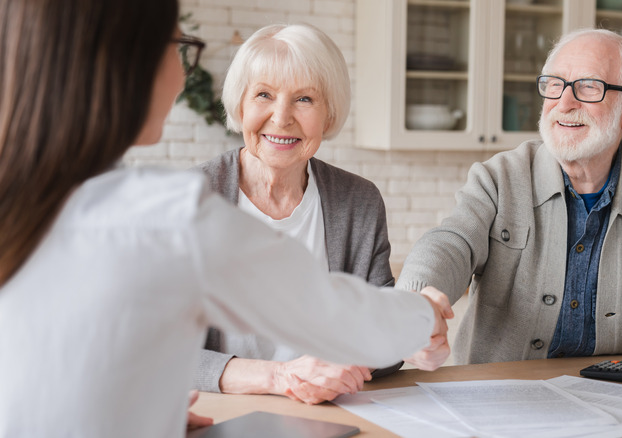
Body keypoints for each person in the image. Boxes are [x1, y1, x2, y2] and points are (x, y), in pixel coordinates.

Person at [0, 0, 453, 436]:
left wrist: (144, 410)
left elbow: (74, 363)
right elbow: (328, 311)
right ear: (126, 65)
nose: (182, 73)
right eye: (177, 47)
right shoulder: (169, 216)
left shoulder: (32, 200)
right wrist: (425, 315)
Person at [398, 28, 622, 421]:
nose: (563, 103)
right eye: (554, 86)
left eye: (588, 87)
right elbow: (450, 242)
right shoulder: (499, 178)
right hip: (500, 406)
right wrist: (416, 302)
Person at [193, 23, 413, 404]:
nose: (281, 118)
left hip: (328, 414)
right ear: (241, 105)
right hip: (218, 412)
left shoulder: (358, 201)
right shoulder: (188, 204)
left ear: (329, 115)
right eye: (264, 94)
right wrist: (281, 376)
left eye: (305, 99)